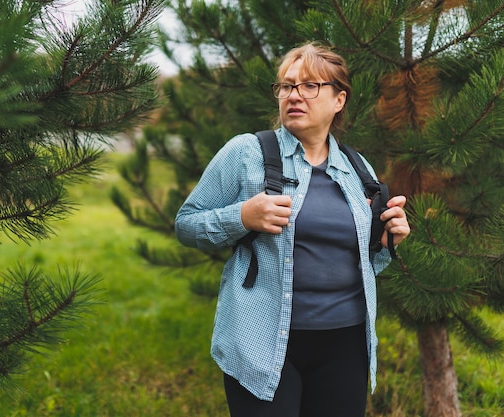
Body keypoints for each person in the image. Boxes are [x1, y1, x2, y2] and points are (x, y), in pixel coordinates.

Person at [174, 42, 411, 417]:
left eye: (309, 86)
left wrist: (385, 241)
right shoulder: (247, 153)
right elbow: (187, 224)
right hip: (263, 342)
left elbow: (366, 261)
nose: (294, 95)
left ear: (339, 99)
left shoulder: (357, 167)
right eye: (286, 86)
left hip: (344, 345)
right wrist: (241, 217)